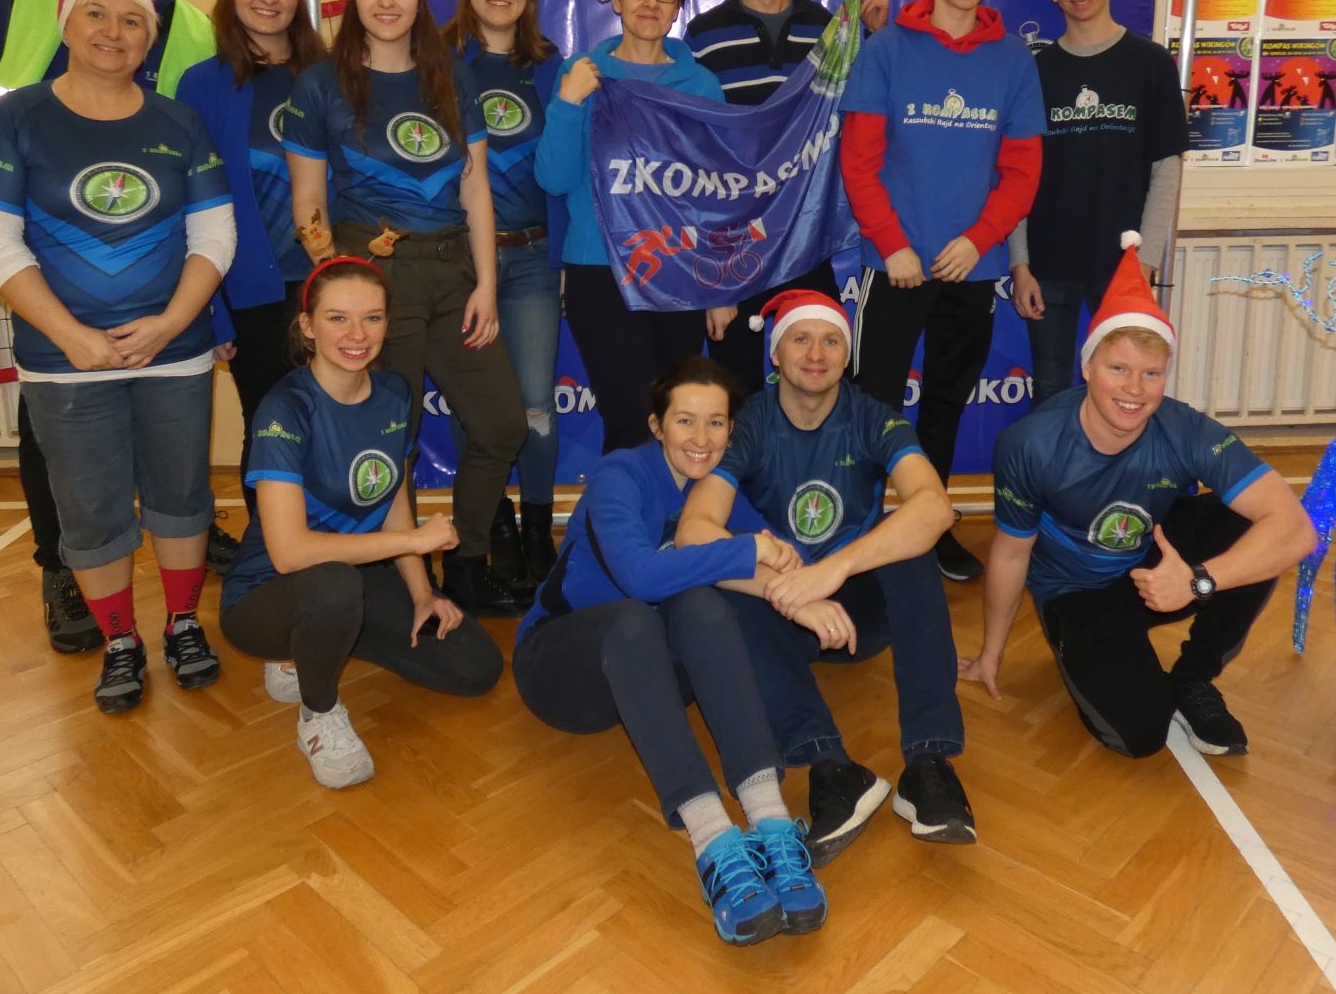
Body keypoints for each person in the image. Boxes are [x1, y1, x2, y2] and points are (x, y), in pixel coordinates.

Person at [0, 0, 237, 715]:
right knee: (90, 510)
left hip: (174, 353)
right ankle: (121, 640)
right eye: (96, 15)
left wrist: (172, 324)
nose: (113, 32)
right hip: (62, 363)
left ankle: (182, 625)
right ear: (66, 25)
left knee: (182, 496)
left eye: (132, 20)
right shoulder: (14, 120)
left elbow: (214, 235)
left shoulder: (180, 123)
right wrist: (71, 336)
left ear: (150, 37)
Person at [515, 355, 826, 947]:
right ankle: (713, 841)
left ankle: (771, 820)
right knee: (639, 613)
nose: (701, 439)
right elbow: (638, 576)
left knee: (704, 606)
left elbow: (784, 553)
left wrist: (794, 585)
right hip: (562, 669)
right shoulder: (620, 474)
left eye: (716, 423)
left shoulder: (715, 489)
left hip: (649, 675)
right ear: (657, 426)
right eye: (685, 421)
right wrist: (748, 553)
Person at [963, 237, 1313, 759]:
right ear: (1087, 367)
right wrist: (990, 654)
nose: (1135, 389)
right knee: (1141, 736)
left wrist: (1197, 580)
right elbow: (1011, 553)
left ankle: (1193, 677)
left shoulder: (1183, 427)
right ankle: (1095, 648)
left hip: (1157, 569)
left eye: (1151, 373)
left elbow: (1296, 529)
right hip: (1076, 593)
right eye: (1119, 369)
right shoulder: (1030, 444)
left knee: (1252, 526)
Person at [283, 0, 527, 616]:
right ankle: (401, 572)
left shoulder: (454, 75)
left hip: (454, 270)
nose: (385, 0)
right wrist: (341, 287)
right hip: (372, 272)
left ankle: (467, 562)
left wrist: (487, 285)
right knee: (394, 437)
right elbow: (308, 204)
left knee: (502, 424)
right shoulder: (319, 85)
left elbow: (475, 188)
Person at [677, 289, 973, 864]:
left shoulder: (872, 416)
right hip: (784, 612)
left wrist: (833, 571)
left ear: (847, 355)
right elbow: (693, 532)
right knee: (722, 587)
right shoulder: (749, 423)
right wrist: (789, 591)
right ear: (776, 354)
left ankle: (929, 763)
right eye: (801, 339)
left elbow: (935, 507)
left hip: (857, 615)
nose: (816, 354)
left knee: (910, 547)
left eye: (831, 340)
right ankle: (831, 768)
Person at [219, 257, 502, 787]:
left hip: (354, 576)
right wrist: (413, 540)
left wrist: (422, 592)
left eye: (372, 318)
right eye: (338, 319)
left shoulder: (394, 392)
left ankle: (321, 642)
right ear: (307, 326)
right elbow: (290, 554)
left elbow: (392, 497)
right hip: (267, 594)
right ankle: (318, 711)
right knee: (332, 586)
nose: (357, 335)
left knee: (474, 668)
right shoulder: (285, 409)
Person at [840, 0, 1044, 583]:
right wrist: (893, 245)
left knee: (946, 403)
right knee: (875, 401)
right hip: (894, 265)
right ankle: (863, 526)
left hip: (971, 268)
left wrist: (980, 240)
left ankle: (928, 527)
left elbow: (1022, 172)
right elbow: (859, 164)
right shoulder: (888, 49)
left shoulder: (1012, 60)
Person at [684, 0, 889, 397]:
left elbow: (872, 109)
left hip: (806, 236)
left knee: (819, 380)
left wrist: (877, 35)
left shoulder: (829, 30)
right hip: (733, 240)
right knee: (735, 388)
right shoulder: (703, 35)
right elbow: (694, 148)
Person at [535, 0, 735, 452]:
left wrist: (720, 287)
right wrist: (568, 103)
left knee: (677, 420)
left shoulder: (701, 84)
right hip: (601, 271)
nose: (650, 3)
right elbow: (554, 178)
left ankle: (672, 508)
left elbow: (714, 192)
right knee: (630, 420)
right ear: (617, 0)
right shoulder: (584, 74)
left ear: (678, 6)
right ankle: (623, 509)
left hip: (680, 269)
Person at [174, 0, 328, 527]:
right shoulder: (201, 86)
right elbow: (189, 206)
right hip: (248, 292)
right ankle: (272, 555)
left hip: (327, 284)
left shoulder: (329, 78)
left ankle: (335, 550)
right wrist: (210, 308)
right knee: (269, 425)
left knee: (334, 423)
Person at [1009, 0, 1187, 409]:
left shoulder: (1151, 64)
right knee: (1049, 392)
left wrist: (1145, 261)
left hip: (1123, 264)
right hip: (1047, 264)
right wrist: (1020, 264)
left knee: (1126, 390)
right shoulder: (1036, 71)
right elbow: (1018, 173)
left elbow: (1166, 168)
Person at [444, 0, 564, 586]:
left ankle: (538, 527)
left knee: (536, 406)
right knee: (476, 406)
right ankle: (492, 527)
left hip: (534, 261)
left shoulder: (549, 66)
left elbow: (572, 159)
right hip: (463, 264)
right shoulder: (437, 62)